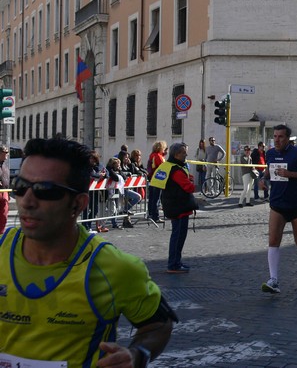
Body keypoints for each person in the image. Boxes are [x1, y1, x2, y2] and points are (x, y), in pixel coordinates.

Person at [0, 138, 176, 366]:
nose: (27, 201)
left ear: (79, 203)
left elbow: (159, 324)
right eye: (20, 187)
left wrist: (138, 354)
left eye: (46, 191)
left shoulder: (115, 268)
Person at [259, 125, 297, 294]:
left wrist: (290, 174)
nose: (277, 139)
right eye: (275, 136)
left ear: (288, 138)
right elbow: (269, 170)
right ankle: (274, 279)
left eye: (281, 137)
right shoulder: (270, 153)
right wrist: (263, 179)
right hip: (277, 203)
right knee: (273, 241)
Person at [150, 142, 197, 273]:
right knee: (178, 237)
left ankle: (176, 262)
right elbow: (188, 187)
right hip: (179, 206)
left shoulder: (169, 166)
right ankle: (174, 264)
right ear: (176, 154)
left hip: (174, 205)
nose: (186, 154)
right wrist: (192, 183)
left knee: (177, 236)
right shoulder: (176, 170)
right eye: (183, 152)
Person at [147, 140, 168, 224]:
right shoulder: (158, 156)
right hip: (158, 179)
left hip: (152, 178)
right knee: (156, 199)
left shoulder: (152, 155)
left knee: (152, 198)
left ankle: (150, 214)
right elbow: (162, 167)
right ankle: (155, 216)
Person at [0, 145, 9, 234]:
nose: (6, 155)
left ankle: (1, 234)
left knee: (3, 216)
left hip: (4, 193)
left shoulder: (5, 166)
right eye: (4, 153)